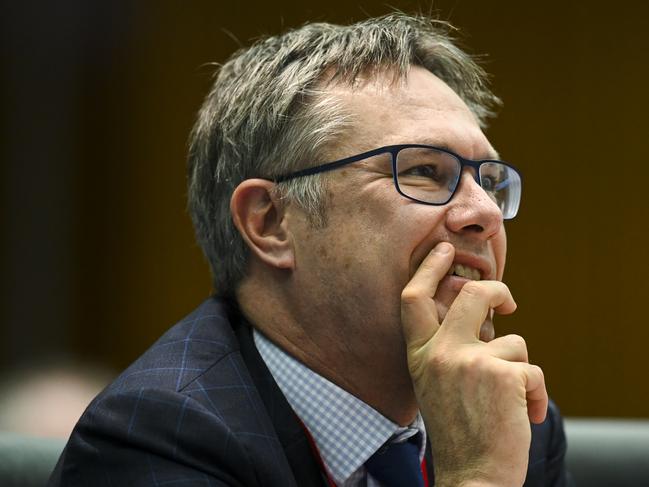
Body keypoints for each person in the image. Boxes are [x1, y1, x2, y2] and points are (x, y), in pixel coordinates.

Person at [49, 13, 571, 487]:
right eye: (423, 172)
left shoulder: (501, 415)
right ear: (271, 222)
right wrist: (476, 479)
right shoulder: (159, 438)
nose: (482, 212)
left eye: (489, 179)